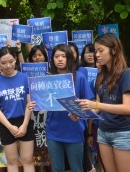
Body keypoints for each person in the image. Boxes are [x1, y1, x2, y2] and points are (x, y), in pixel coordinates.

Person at [77, 33, 130, 172]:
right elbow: (98, 109)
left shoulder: (126, 74)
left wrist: (95, 105)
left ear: (113, 50)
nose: (97, 55)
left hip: (123, 133)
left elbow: (127, 108)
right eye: (96, 51)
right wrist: (81, 114)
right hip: (103, 132)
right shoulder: (101, 76)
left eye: (101, 51)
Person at [45, 44, 94, 172]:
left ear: (70, 59)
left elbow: (89, 104)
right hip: (53, 130)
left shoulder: (80, 77)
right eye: (56, 56)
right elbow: (41, 101)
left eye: (63, 56)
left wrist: (80, 112)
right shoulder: (47, 79)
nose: (60, 59)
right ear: (52, 59)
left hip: (75, 130)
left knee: (77, 168)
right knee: (57, 169)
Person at [0, 47, 35, 172]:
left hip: (25, 121)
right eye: (3, 63)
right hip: (6, 124)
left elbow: (29, 102)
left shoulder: (24, 78)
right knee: (12, 161)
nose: (8, 66)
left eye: (11, 61)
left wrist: (25, 124)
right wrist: (9, 127)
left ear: (15, 59)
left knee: (28, 160)